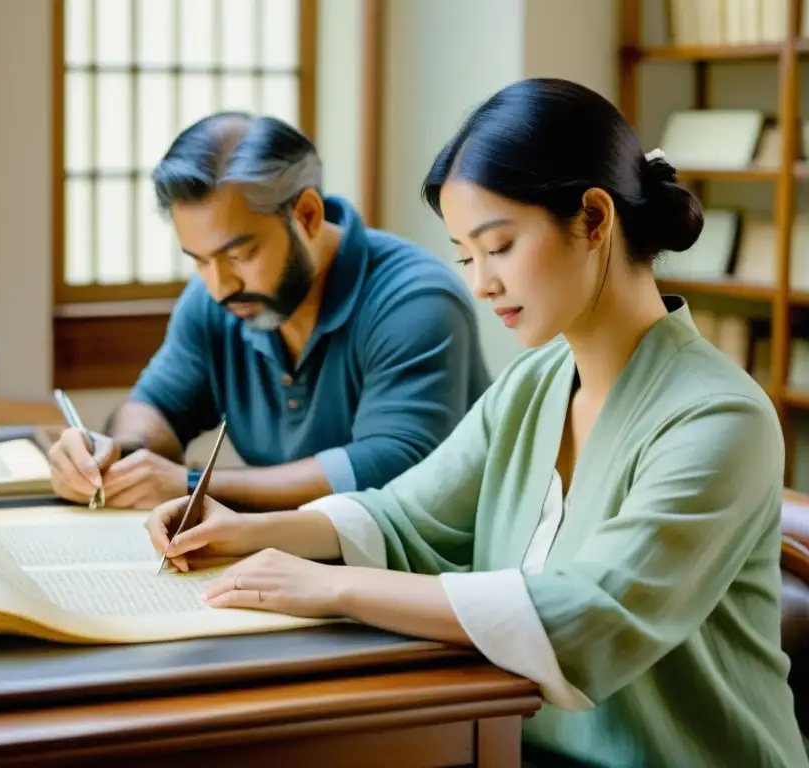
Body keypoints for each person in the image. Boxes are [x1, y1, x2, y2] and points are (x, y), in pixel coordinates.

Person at [144, 80, 808, 767]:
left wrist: (333, 585)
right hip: (513, 746)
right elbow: (406, 515)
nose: (480, 282)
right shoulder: (533, 384)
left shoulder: (720, 417)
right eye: (466, 254)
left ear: (593, 219)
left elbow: (585, 618)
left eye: (499, 246)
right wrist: (245, 530)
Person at [47, 112, 490, 512]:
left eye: (239, 255)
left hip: (422, 572)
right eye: (199, 260)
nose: (220, 286)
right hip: (288, 560)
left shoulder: (414, 298)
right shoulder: (213, 301)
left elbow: (389, 466)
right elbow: (157, 408)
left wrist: (192, 485)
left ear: (308, 215)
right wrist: (116, 456)